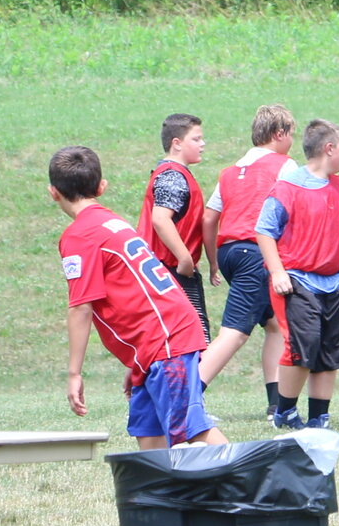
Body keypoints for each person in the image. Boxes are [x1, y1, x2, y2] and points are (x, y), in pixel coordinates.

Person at [48, 145, 226, 449]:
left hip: (166, 340)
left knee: (190, 428)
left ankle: (255, 480)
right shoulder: (111, 223)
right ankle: (157, 496)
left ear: (53, 192)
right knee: (150, 434)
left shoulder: (80, 235)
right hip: (158, 342)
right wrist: (138, 361)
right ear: (101, 187)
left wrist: (74, 373)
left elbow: (81, 308)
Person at [256, 118, 339, 431]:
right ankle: (285, 412)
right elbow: (264, 230)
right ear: (329, 149)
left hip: (334, 282)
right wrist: (278, 272)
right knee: (303, 346)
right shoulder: (288, 186)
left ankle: (319, 416)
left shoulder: (337, 184)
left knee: (330, 349)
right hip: (297, 281)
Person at [198, 105, 295, 423]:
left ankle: (275, 404)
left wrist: (213, 261)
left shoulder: (230, 171)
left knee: (274, 325)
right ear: (279, 134)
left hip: (229, 254)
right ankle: (183, 398)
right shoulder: (284, 165)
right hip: (256, 254)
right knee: (235, 333)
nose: (292, 141)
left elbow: (210, 217)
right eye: (291, 134)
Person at [144, 114, 212, 325]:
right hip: (171, 272)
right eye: (196, 139)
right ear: (177, 144)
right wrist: (185, 259)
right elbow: (161, 219)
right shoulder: (172, 175)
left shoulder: (172, 173)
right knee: (193, 341)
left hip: (170, 271)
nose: (203, 144)